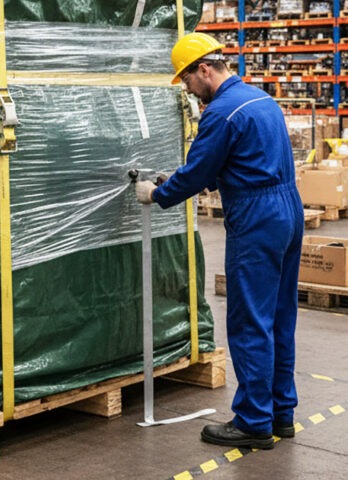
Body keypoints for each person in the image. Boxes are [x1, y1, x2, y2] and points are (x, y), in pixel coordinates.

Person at [135, 32, 303, 450]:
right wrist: (179, 177)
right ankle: (281, 413)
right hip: (287, 210)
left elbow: (199, 172)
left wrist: (158, 194)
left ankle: (252, 422)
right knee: (280, 315)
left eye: (187, 81)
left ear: (204, 70)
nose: (188, 91)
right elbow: (228, 163)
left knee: (250, 320)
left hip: (257, 218)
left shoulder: (220, 112)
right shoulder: (261, 100)